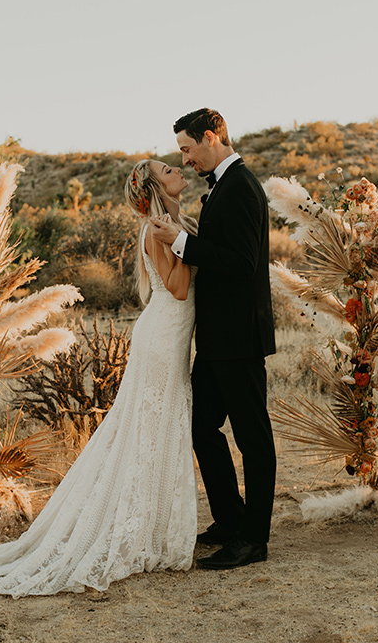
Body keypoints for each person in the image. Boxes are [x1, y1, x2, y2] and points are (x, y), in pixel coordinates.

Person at [0, 159, 198, 597]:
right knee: (150, 429)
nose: (176, 167)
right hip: (163, 335)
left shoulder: (175, 222)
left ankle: (155, 524)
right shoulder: (158, 227)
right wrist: (186, 247)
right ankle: (137, 530)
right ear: (155, 186)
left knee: (160, 428)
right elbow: (175, 287)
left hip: (170, 333)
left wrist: (187, 239)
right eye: (165, 167)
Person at [151, 108, 276, 570]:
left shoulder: (242, 187)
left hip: (240, 336)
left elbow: (243, 263)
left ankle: (254, 540)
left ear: (210, 137)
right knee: (201, 426)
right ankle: (230, 517)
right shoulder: (223, 187)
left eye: (187, 149)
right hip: (217, 338)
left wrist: (181, 244)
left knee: (253, 439)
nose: (185, 161)